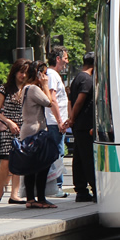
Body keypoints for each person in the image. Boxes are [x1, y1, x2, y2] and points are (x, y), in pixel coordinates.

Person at [20, 60, 63, 209]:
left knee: (31, 167)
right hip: (35, 131)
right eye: (44, 74)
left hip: (28, 129)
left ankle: (31, 199)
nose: (46, 77)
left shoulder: (26, 87)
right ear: (38, 74)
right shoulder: (33, 89)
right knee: (42, 165)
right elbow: (49, 102)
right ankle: (40, 198)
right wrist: (45, 85)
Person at [0, 59, 28, 204]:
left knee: (19, 160)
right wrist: (9, 122)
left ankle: (15, 193)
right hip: (7, 128)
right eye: (21, 72)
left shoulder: (29, 88)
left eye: (26, 72)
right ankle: (0, 190)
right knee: (5, 160)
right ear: (15, 72)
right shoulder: (5, 88)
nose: (23, 75)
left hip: (23, 128)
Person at [64, 52, 95, 202]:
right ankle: (93, 188)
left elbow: (70, 100)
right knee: (88, 158)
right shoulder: (87, 79)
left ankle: (81, 190)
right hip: (84, 124)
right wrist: (73, 118)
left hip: (78, 124)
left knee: (79, 158)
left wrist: (71, 119)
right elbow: (79, 101)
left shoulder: (77, 77)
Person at [44, 46, 69, 199]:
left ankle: (55, 186)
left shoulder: (53, 74)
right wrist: (60, 121)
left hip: (55, 122)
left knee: (57, 153)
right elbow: (52, 99)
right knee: (57, 154)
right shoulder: (52, 75)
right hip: (54, 122)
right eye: (65, 58)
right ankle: (56, 186)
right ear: (58, 59)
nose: (67, 62)